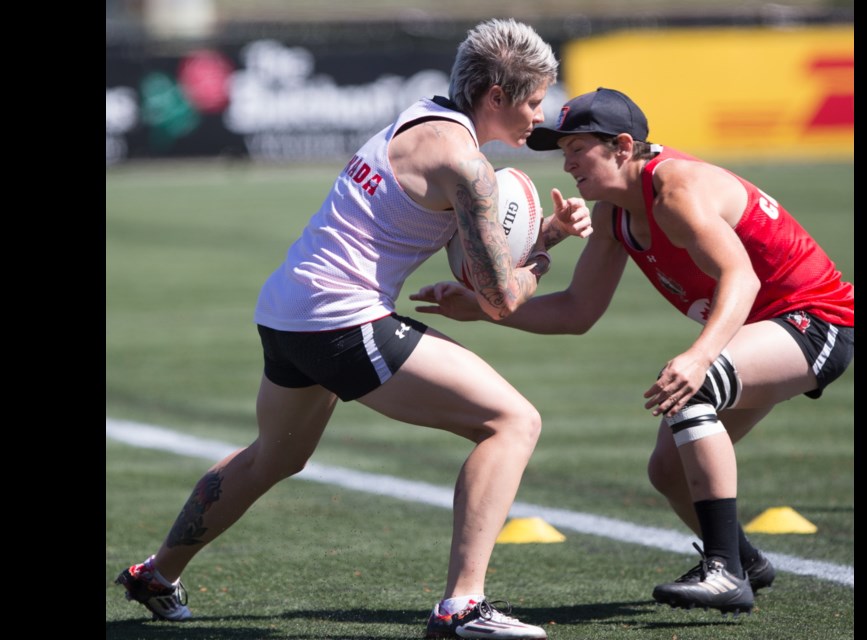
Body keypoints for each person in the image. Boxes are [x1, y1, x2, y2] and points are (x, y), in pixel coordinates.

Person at [114, 19, 592, 639]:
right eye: (532, 100)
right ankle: (461, 607)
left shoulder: (421, 118)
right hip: (343, 319)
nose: (540, 113)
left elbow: (468, 266)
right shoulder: (466, 165)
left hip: (287, 312)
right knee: (512, 421)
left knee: (275, 456)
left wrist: (527, 242)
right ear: (496, 97)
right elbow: (500, 298)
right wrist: (544, 254)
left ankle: (156, 573)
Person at [411, 87, 854, 616]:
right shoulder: (613, 214)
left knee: (696, 389)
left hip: (816, 319)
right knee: (668, 472)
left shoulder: (675, 188)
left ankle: (724, 572)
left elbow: (742, 277)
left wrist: (700, 356)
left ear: (623, 146)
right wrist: (484, 307)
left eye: (579, 148)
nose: (568, 162)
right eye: (563, 150)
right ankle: (746, 560)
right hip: (757, 327)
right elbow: (577, 311)